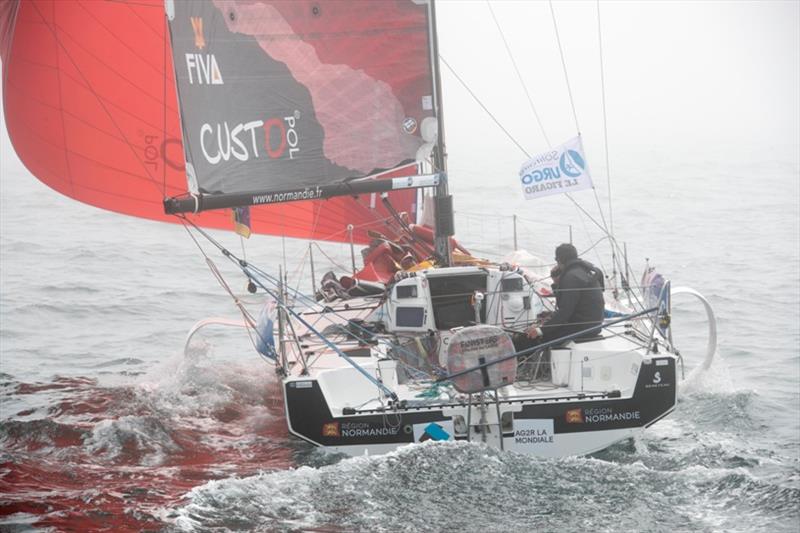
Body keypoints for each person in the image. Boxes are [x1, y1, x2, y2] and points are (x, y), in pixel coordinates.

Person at [521, 243, 606, 347]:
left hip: (581, 328)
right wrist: (557, 282)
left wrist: (540, 330)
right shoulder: (587, 270)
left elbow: (565, 311)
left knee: (529, 340)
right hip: (594, 325)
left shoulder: (571, 277)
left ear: (559, 261)